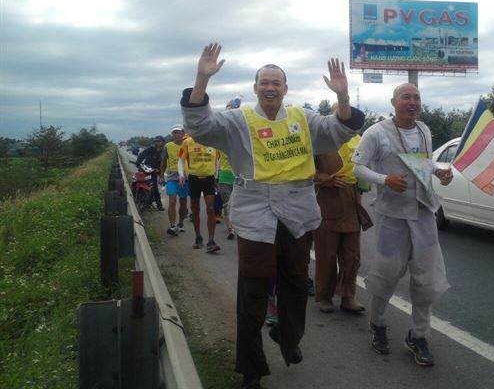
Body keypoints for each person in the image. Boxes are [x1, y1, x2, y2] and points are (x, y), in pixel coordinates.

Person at [181, 42, 364, 389]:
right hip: (255, 213)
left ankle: (288, 337)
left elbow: (338, 131)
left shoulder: (302, 117)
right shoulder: (238, 121)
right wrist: (201, 79)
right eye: (264, 82)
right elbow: (200, 126)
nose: (270, 87)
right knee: (254, 289)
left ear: (285, 88)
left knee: (296, 284)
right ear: (255, 88)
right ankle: (251, 368)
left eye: (276, 82)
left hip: (297, 211)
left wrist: (342, 98)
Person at [352, 82, 453, 367]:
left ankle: (419, 336)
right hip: (392, 216)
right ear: (393, 101)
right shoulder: (376, 133)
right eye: (406, 97)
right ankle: (378, 324)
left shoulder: (424, 130)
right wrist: (385, 180)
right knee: (385, 276)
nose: (413, 102)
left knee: (426, 278)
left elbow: (425, 164)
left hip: (423, 213)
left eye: (417, 97)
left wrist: (440, 171)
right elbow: (357, 167)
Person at [313, 113, 366, 314]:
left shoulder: (357, 140)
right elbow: (305, 170)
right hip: (327, 202)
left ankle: (348, 295)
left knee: (352, 255)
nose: (346, 123)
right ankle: (325, 296)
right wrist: (326, 178)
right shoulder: (319, 141)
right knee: (327, 253)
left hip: (353, 201)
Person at [178, 136, 221, 253]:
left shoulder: (214, 141)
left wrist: (216, 177)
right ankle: (198, 237)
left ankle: (211, 241)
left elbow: (217, 161)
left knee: (210, 209)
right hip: (194, 178)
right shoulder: (187, 142)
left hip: (209, 178)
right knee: (195, 209)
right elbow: (181, 159)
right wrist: (181, 175)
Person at [160, 124, 189, 236]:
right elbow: (163, 162)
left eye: (178, 132)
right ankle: (172, 226)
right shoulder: (167, 146)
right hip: (172, 177)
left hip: (185, 178)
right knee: (172, 200)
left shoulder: (187, 144)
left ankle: (181, 223)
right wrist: (162, 176)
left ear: (183, 133)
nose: (176, 135)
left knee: (183, 202)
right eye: (174, 133)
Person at [135, 135, 165, 211]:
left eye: (158, 141)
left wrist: (159, 170)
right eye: (155, 141)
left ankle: (159, 205)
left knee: (155, 188)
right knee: (137, 181)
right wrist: (138, 163)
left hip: (155, 171)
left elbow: (165, 162)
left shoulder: (164, 151)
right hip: (146, 169)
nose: (156, 143)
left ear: (162, 142)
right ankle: (136, 197)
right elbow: (141, 155)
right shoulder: (150, 149)